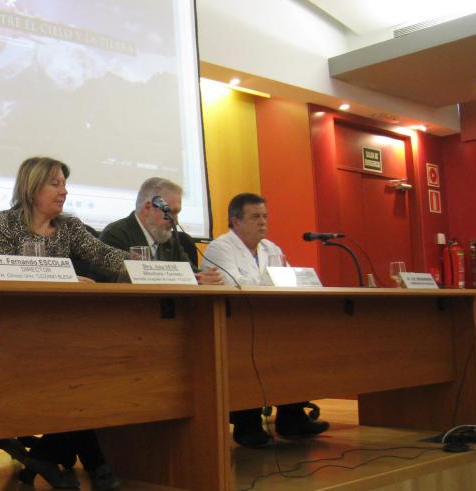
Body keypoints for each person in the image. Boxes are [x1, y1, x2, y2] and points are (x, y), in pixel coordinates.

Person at [0, 156, 123, 490]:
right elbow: (2, 273)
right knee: (75, 376)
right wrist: (66, 279)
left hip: (62, 330)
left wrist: (164, 271)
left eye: (64, 183)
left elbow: (108, 257)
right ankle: (94, 462)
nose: (64, 191)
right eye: (55, 183)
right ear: (32, 187)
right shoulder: (2, 224)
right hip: (12, 329)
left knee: (86, 374)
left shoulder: (69, 226)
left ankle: (47, 452)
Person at [201, 192, 330, 448]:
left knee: (292, 347)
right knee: (248, 354)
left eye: (265, 217)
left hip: (268, 320)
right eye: (255, 217)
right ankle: (247, 425)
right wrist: (269, 281)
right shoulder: (219, 247)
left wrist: (271, 282)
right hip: (232, 325)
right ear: (235, 221)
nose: (263, 223)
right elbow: (231, 284)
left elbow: (288, 280)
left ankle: (292, 418)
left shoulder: (271, 248)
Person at [95, 177, 222, 285]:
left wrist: (204, 278)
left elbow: (191, 273)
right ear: (148, 207)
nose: (176, 221)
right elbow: (110, 280)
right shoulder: (115, 234)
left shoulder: (169, 241)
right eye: (170, 212)